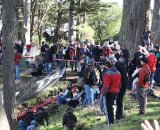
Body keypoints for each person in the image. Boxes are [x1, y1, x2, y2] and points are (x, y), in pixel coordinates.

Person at [101, 56, 121, 125]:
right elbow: (120, 83)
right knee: (112, 107)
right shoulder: (118, 72)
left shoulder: (108, 73)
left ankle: (110, 122)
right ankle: (112, 121)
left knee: (108, 108)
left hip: (109, 92)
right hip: (116, 92)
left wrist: (103, 93)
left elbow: (106, 85)